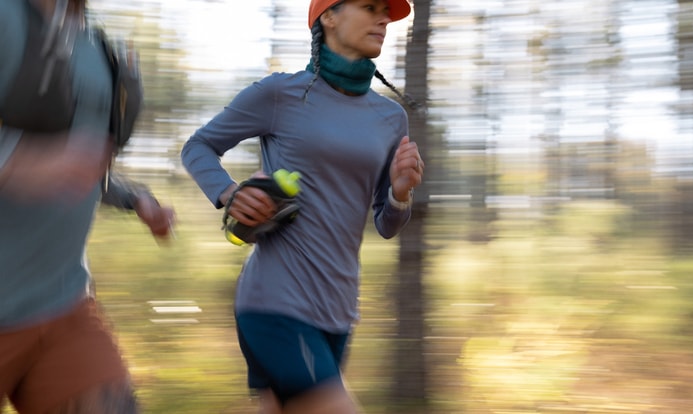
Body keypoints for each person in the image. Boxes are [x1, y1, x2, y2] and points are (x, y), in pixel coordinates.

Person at [180, 0, 423, 413]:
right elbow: (199, 146)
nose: (384, 19)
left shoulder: (390, 118)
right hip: (276, 301)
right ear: (328, 16)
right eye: (370, 7)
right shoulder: (280, 94)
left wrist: (401, 192)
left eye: (387, 11)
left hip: (338, 309)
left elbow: (387, 223)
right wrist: (231, 194)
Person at [0, 0, 175, 413]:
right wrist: (16, 162)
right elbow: (41, 161)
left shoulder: (100, 50)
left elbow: (79, 166)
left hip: (62, 308)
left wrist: (137, 200)